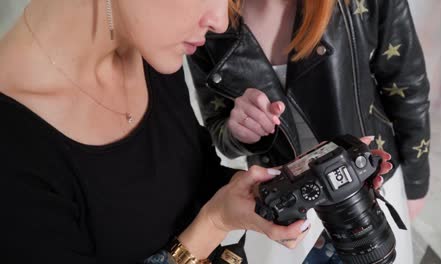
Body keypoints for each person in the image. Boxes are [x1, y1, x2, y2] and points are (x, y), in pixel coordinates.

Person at [0, 0, 327, 263]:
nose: (221, 21)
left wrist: (287, 185)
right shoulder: (13, 147)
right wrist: (213, 223)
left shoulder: (145, 46)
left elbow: (184, 179)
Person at [187, 0, 430, 263]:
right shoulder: (206, 16)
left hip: (366, 184)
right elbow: (218, 130)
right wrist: (239, 131)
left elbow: (407, 87)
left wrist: (416, 184)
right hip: (285, 207)